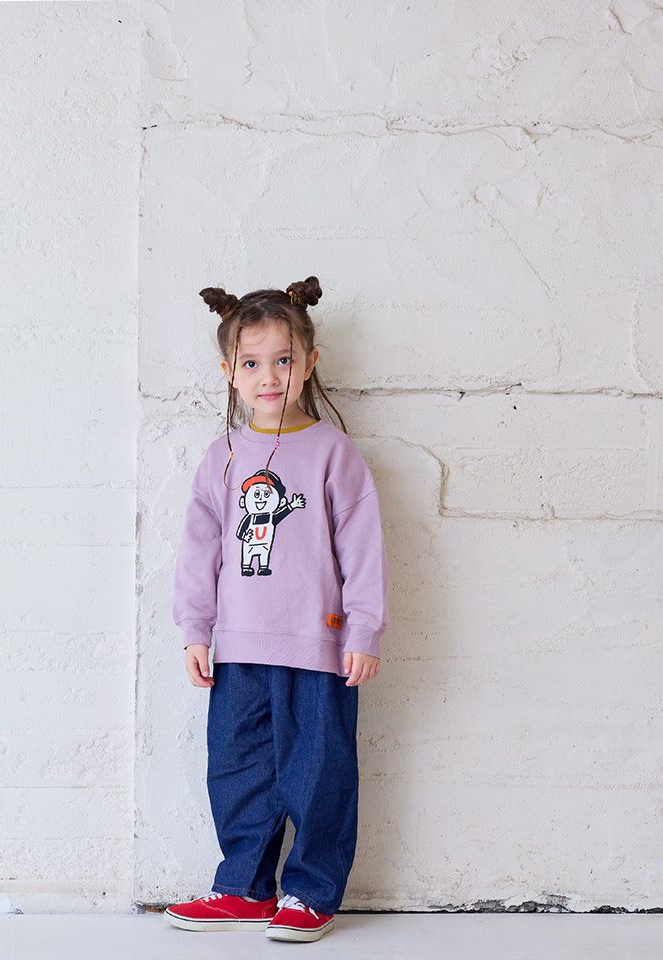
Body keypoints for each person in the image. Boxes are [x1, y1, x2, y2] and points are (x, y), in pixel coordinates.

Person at [164, 276, 389, 943]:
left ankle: (312, 892)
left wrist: (364, 629)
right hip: (237, 648)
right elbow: (199, 551)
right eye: (252, 363)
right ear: (229, 372)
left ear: (309, 363)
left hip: (318, 647)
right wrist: (195, 630)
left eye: (283, 360)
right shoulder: (222, 458)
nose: (269, 377)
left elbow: (362, 548)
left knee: (319, 772)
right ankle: (244, 887)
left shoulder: (333, 454)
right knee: (238, 769)